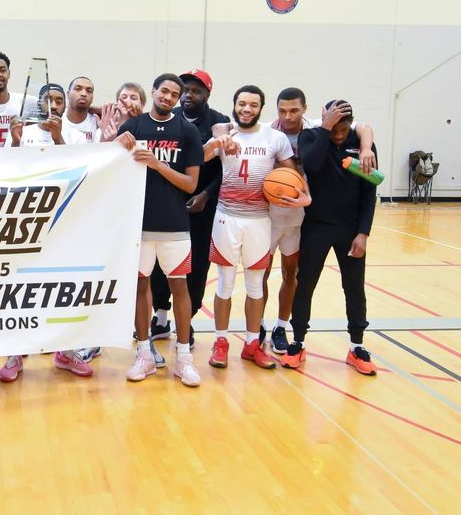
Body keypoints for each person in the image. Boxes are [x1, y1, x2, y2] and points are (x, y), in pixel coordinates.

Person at [263, 89, 376, 354]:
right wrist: (326, 128)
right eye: (333, 127)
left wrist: (364, 233)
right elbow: (311, 167)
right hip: (312, 224)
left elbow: (369, 192)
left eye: (342, 128)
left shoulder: (359, 144)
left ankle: (357, 344)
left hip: (347, 228)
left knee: (354, 287)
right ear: (324, 118)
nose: (338, 133)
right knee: (304, 283)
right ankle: (297, 340)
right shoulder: (312, 133)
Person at [205, 86, 308, 371]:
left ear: (261, 108)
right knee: (225, 283)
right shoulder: (225, 133)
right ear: (235, 106)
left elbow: (292, 174)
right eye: (242, 104)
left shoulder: (275, 138)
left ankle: (252, 344)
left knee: (254, 286)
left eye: (253, 104)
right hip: (226, 218)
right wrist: (217, 140)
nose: (247, 109)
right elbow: (198, 159)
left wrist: (305, 195)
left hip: (261, 220)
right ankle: (221, 342)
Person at [118, 74, 204, 387]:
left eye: (174, 94)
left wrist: (157, 164)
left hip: (174, 225)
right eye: (163, 91)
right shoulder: (133, 127)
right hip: (137, 225)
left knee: (179, 287)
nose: (168, 97)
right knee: (140, 288)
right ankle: (143, 354)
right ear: (153, 92)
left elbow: (190, 184)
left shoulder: (187, 130)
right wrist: (116, 142)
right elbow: (111, 167)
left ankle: (184, 358)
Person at [1, 84, 90, 380]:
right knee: (18, 290)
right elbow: (4, 172)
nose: (53, 104)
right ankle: (15, 354)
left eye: (58, 100)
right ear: (38, 104)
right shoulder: (21, 132)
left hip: (63, 221)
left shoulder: (74, 134)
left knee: (66, 289)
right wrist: (14, 143)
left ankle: (67, 351)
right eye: (48, 99)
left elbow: (83, 171)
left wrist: (58, 138)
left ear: (64, 106)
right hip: (25, 221)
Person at [149, 69, 230, 350]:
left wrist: (206, 194)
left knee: (195, 266)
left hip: (203, 206)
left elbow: (225, 170)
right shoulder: (171, 117)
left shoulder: (219, 122)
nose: (188, 95)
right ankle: (160, 317)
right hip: (169, 202)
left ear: (208, 94)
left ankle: (188, 319)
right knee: (160, 261)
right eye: (186, 90)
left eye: (196, 91)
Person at [62, 76, 101, 142]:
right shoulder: (59, 118)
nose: (84, 94)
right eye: (78, 89)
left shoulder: (97, 122)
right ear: (68, 94)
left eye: (89, 91)